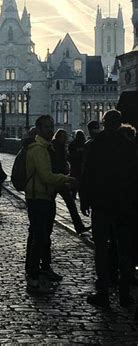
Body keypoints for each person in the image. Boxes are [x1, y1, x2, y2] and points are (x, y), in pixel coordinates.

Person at [81, 110, 138, 308]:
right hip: (124, 205)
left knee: (101, 249)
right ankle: (124, 294)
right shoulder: (129, 146)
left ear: (104, 123)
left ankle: (103, 290)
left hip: (101, 204)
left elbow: (87, 173)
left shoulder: (97, 144)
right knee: (124, 250)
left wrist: (84, 199)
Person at [25, 115, 77, 294]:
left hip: (45, 196)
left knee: (42, 235)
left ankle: (42, 268)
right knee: (39, 236)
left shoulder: (46, 147)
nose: (50, 130)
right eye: (46, 127)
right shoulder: (39, 149)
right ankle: (32, 274)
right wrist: (67, 179)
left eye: (51, 126)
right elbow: (46, 176)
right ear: (38, 129)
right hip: (38, 197)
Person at [51, 129, 90, 235]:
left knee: (70, 204)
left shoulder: (60, 146)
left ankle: (79, 226)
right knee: (65, 204)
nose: (64, 139)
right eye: (63, 137)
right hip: (56, 180)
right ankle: (79, 226)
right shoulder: (54, 147)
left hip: (61, 179)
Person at [67, 129, 86, 199]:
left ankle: (73, 194)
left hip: (74, 165)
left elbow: (70, 155)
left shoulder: (72, 144)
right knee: (82, 181)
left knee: (74, 179)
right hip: (82, 165)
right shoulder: (85, 143)